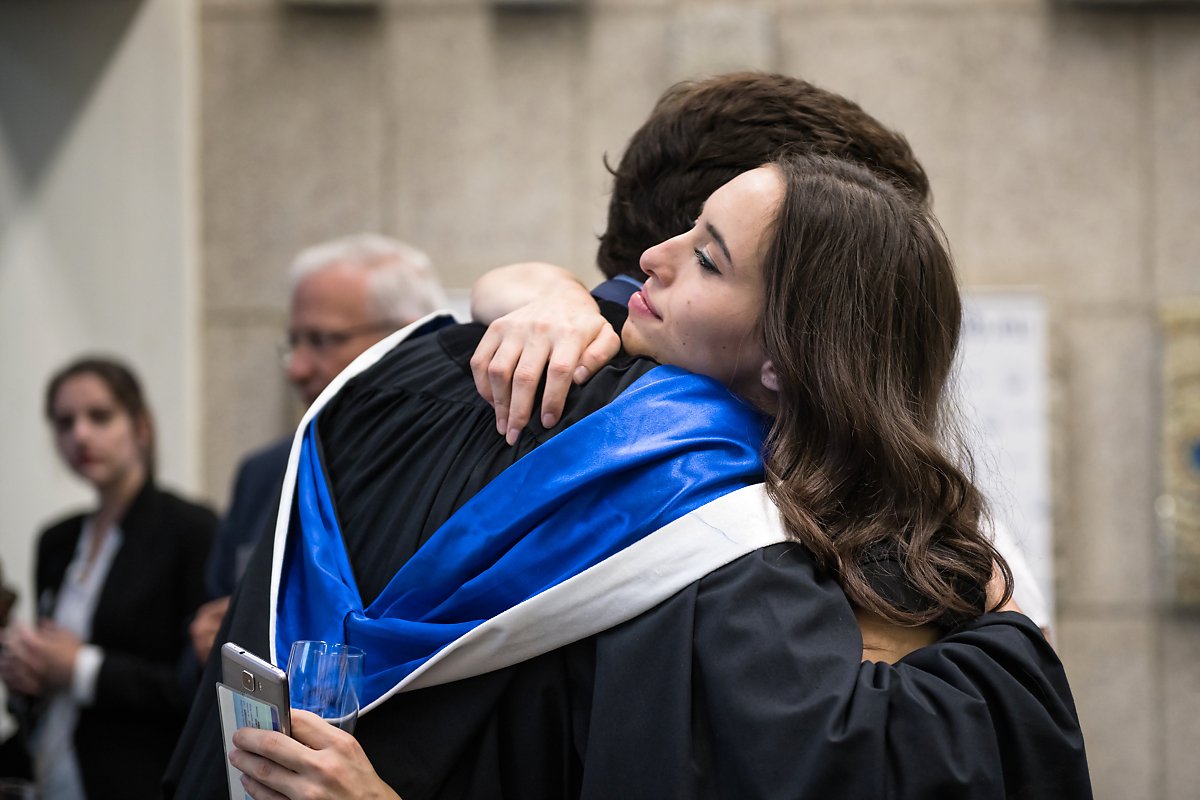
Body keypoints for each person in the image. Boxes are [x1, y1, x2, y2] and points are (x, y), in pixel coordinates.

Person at [164, 73, 1085, 798]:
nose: (662, 257)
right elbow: (866, 761)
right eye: (697, 235)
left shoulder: (396, 380)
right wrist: (999, 628)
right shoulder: (728, 535)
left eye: (710, 250)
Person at [189, 234, 445, 665]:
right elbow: (200, 650)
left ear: (406, 338)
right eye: (294, 342)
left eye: (322, 340)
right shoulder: (263, 474)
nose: (297, 368)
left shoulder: (448, 471)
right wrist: (210, 645)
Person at [0, 357, 216, 799]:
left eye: (99, 417)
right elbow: (48, 677)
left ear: (141, 426)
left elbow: (198, 682)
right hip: (51, 772)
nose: (80, 434)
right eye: (64, 422)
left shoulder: (191, 530)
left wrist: (80, 668)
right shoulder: (57, 539)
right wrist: (29, 676)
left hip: (139, 779)